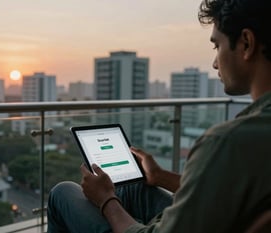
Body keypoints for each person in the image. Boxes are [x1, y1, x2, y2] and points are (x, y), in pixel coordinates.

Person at [47, 0, 271, 232]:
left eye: (217, 46)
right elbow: (226, 191)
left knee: (63, 192)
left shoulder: (228, 142)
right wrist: (161, 176)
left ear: (246, 43)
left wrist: (106, 201)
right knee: (133, 188)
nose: (215, 63)